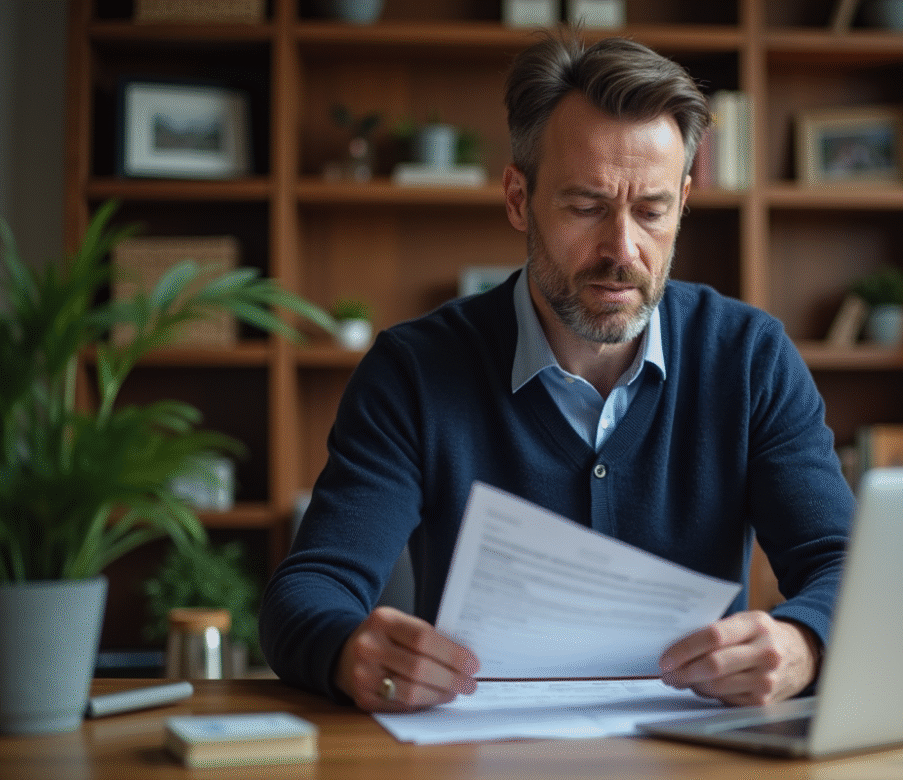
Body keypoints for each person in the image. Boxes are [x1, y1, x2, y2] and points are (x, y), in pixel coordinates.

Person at [259, 31, 853, 714]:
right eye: (587, 206)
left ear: (684, 202)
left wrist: (805, 642)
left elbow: (844, 568)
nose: (621, 250)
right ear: (518, 197)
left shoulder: (750, 358)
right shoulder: (413, 371)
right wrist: (345, 650)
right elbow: (307, 592)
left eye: (652, 211)